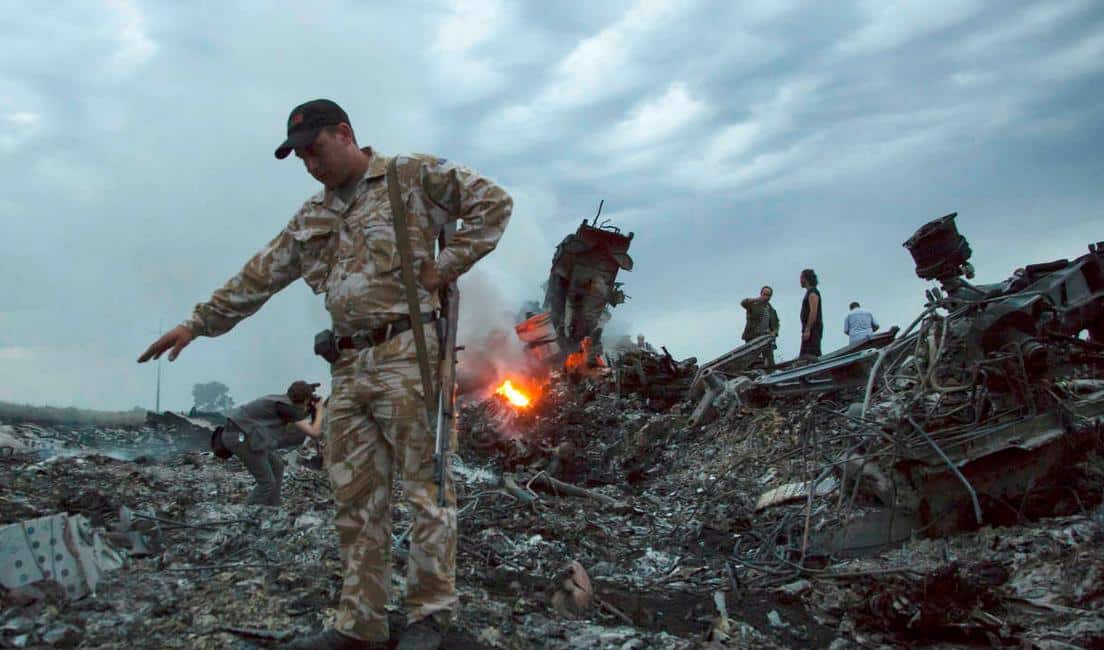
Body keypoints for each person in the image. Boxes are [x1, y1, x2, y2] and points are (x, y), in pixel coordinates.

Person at [138, 99, 513, 650]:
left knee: (427, 491)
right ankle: (358, 624)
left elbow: (494, 204)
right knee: (355, 499)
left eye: (316, 151)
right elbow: (259, 275)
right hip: (349, 366)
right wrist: (196, 324)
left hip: (409, 357)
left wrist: (446, 264)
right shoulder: (313, 217)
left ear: (345, 134)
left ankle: (429, 619)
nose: (311, 165)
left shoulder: (410, 177)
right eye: (301, 158)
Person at [212, 380, 326, 507]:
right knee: (267, 482)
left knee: (277, 466)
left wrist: (307, 397)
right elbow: (314, 433)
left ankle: (273, 507)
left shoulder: (282, 401)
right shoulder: (286, 409)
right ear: (304, 400)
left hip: (248, 435)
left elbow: (299, 410)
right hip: (240, 438)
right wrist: (320, 409)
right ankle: (247, 515)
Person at [740, 285, 779, 367]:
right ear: (761, 294)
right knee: (751, 359)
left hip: (766, 338)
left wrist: (774, 333)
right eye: (764, 294)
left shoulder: (772, 310)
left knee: (769, 360)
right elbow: (743, 303)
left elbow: (776, 325)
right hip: (752, 336)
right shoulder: (753, 304)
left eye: (768, 295)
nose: (766, 297)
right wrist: (757, 299)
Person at [799, 269, 823, 359]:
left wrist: (808, 329)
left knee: (810, 354)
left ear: (806, 279)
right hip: (808, 328)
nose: (800, 281)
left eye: (801, 278)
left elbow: (813, 312)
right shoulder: (809, 292)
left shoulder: (813, 292)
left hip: (813, 329)